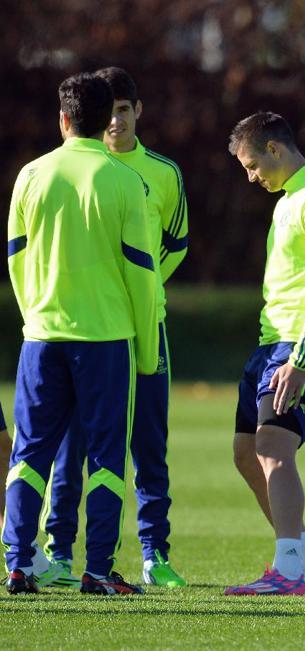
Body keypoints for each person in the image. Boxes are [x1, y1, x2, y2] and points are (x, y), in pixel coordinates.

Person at [5, 72, 157, 595]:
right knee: (107, 456)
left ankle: (18, 564)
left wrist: (36, 316)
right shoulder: (123, 181)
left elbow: (17, 260)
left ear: (64, 119)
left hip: (42, 336)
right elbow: (143, 272)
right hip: (107, 340)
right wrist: (147, 350)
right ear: (102, 120)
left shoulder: (31, 175)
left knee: (29, 453)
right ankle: (97, 569)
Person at [41, 66, 189, 589]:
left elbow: (175, 244)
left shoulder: (163, 173)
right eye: (110, 112)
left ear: (136, 112)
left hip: (144, 324)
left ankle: (155, 553)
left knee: (149, 441)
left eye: (125, 110)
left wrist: (138, 296)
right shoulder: (81, 168)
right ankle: (59, 551)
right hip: (90, 331)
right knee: (72, 444)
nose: (116, 122)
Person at [226, 111, 305, 596]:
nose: (251, 176)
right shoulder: (288, 201)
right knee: (245, 452)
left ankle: (288, 569)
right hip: (270, 342)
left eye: (252, 165)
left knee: (275, 450)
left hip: (298, 345)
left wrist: (301, 356)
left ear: (275, 149)